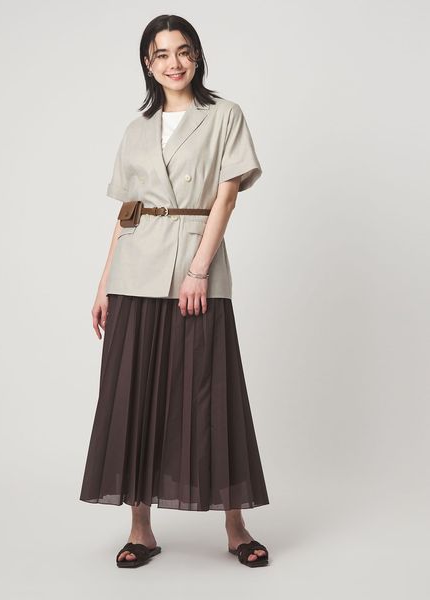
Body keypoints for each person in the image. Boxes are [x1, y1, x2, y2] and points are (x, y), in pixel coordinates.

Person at [80, 14, 270, 569]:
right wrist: (104, 284)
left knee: (213, 395)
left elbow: (226, 197)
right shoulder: (137, 128)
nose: (174, 63)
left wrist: (198, 270)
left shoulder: (224, 116)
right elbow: (127, 212)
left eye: (183, 51)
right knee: (134, 395)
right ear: (148, 63)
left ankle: (236, 526)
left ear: (197, 56)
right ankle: (140, 529)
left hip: (194, 264)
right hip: (135, 271)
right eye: (161, 54)